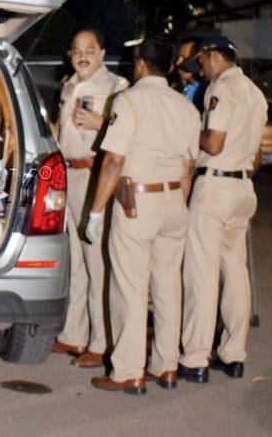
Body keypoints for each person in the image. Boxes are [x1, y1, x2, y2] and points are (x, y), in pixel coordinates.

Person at [85, 35, 200, 394]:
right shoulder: (186, 107)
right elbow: (188, 167)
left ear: (140, 65)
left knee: (130, 288)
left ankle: (127, 371)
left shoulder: (129, 101)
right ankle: (165, 367)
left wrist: (95, 210)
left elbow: (114, 160)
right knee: (167, 287)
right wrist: (178, 203)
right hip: (173, 202)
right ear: (169, 67)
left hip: (137, 202)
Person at [179, 36, 267, 383]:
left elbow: (212, 142)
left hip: (215, 185)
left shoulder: (220, 89)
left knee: (201, 274)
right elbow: (257, 157)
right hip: (244, 186)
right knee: (235, 272)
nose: (201, 68)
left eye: (203, 61)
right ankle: (233, 355)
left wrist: (192, 131)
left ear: (216, 57)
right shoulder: (256, 94)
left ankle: (196, 358)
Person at [52, 27, 127, 368]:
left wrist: (101, 123)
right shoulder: (69, 86)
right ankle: (73, 335)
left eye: (90, 50)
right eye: (77, 51)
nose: (83, 56)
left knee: (97, 265)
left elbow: (129, 134)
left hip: (94, 176)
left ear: (102, 53)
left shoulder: (117, 88)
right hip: (68, 175)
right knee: (75, 263)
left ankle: (101, 343)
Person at [175, 38, 207, 114]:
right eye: (178, 57)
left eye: (184, 57)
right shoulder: (177, 87)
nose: (178, 63)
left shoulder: (205, 93)